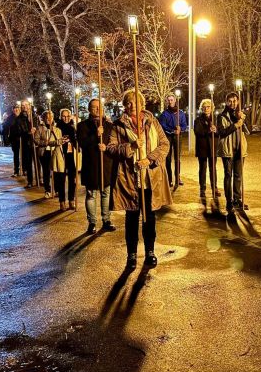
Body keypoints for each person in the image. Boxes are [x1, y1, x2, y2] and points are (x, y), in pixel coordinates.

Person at [107, 89, 172, 271]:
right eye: (128, 103)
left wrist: (150, 159)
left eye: (135, 102)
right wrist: (131, 146)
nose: (132, 105)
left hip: (150, 178)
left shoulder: (152, 122)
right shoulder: (118, 126)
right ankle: (132, 255)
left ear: (142, 104)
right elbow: (111, 149)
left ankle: (150, 251)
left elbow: (164, 144)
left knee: (149, 218)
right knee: (131, 218)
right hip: (129, 179)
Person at [77, 99, 116, 234]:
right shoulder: (82, 126)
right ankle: (92, 222)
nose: (97, 109)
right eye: (94, 107)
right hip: (91, 164)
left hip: (105, 163)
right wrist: (95, 135)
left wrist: (106, 147)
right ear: (89, 109)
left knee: (106, 192)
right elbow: (82, 144)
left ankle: (106, 220)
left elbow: (113, 143)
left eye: (99, 107)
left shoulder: (109, 125)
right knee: (91, 194)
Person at [217, 92, 249, 212]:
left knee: (238, 176)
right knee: (228, 175)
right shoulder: (222, 116)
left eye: (235, 101)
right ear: (226, 102)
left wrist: (243, 119)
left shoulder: (241, 115)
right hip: (228, 150)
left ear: (238, 101)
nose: (233, 103)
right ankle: (229, 201)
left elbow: (249, 130)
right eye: (230, 101)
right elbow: (222, 132)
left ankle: (237, 199)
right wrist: (236, 125)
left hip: (240, 150)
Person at [34, 111, 64, 205]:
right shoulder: (40, 128)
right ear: (43, 118)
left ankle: (57, 189)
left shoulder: (56, 128)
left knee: (55, 171)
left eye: (50, 117)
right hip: (44, 152)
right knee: (46, 171)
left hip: (54, 151)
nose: (48, 119)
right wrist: (45, 143)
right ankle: (47, 189)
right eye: (47, 117)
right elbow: (36, 140)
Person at [194, 98, 221, 198]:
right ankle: (202, 189)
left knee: (213, 169)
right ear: (202, 108)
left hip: (212, 147)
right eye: (204, 107)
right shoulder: (198, 120)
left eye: (208, 107)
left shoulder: (216, 119)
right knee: (203, 169)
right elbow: (197, 132)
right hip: (202, 148)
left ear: (212, 108)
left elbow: (220, 132)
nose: (206, 109)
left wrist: (216, 130)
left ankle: (214, 187)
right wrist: (208, 131)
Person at [159, 94, 187, 187]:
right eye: (169, 100)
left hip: (178, 137)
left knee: (177, 158)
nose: (170, 101)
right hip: (168, 137)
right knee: (168, 158)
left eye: (172, 100)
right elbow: (163, 126)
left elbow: (184, 125)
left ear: (175, 100)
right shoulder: (164, 114)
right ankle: (169, 178)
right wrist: (172, 130)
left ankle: (177, 177)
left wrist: (181, 129)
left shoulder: (181, 113)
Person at [56, 108, 77, 210]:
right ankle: (62, 201)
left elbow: (75, 141)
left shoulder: (72, 128)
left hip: (70, 155)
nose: (66, 118)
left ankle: (71, 200)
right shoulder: (57, 128)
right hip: (61, 155)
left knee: (72, 179)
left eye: (68, 116)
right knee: (61, 179)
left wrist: (75, 142)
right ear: (61, 116)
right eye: (64, 116)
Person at [15, 100, 38, 188]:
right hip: (26, 142)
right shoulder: (19, 118)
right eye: (23, 105)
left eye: (26, 105)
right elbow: (19, 131)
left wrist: (35, 128)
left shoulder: (34, 116)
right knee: (28, 163)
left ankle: (39, 178)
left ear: (29, 105)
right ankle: (30, 181)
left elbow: (37, 125)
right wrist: (28, 132)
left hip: (35, 141)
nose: (25, 107)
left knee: (38, 162)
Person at [7, 106, 21, 176]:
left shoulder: (22, 116)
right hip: (14, 139)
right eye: (14, 108)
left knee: (24, 155)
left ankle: (24, 169)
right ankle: (16, 170)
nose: (16, 110)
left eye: (17, 108)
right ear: (12, 110)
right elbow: (8, 126)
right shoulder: (10, 118)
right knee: (16, 155)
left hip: (22, 138)